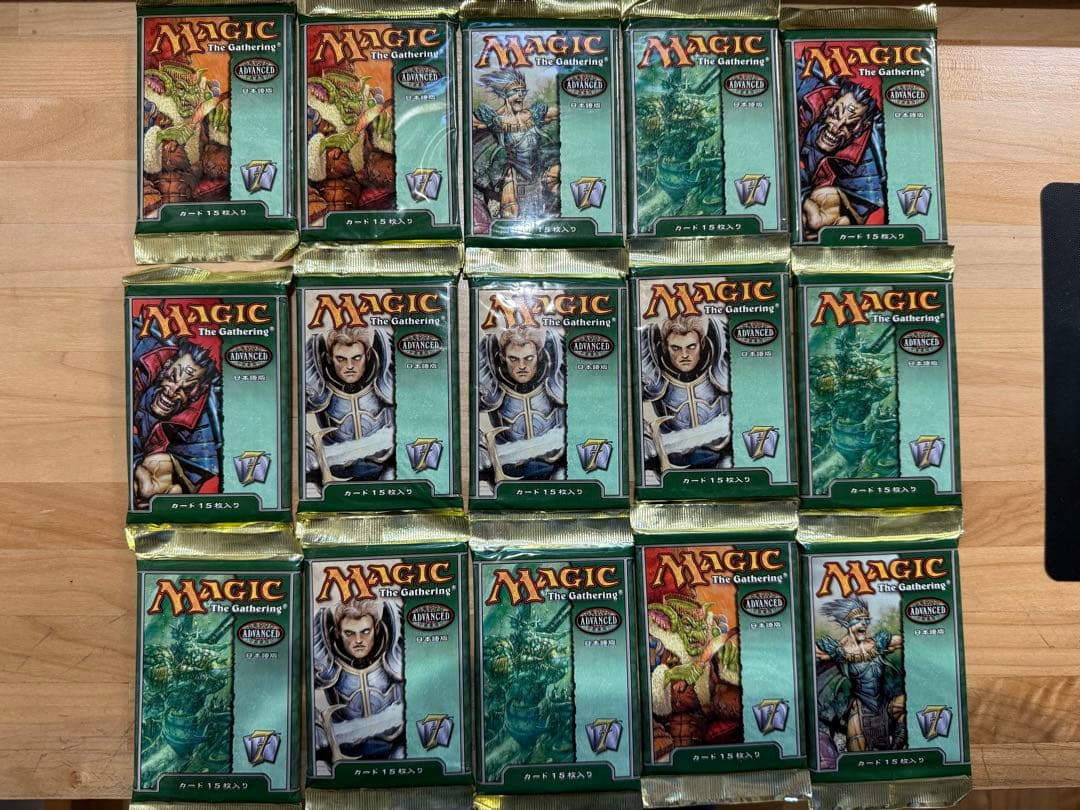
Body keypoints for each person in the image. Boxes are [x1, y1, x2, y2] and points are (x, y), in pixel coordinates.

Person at [131, 323, 222, 508]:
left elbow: (189, 483)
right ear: (167, 366)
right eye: (173, 377)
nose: (172, 391)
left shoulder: (202, 430)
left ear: (199, 391)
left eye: (185, 388)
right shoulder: (145, 362)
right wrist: (134, 464)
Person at [796, 57, 887, 240]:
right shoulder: (810, 97)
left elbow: (854, 217)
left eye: (849, 125)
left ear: (862, 128)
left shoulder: (868, 168)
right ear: (830, 104)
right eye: (835, 115)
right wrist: (803, 197)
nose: (836, 127)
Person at [312, 597, 405, 767]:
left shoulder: (394, 655)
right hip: (346, 750)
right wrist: (316, 725)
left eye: (365, 631)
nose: (358, 640)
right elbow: (297, 694)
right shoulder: (327, 664)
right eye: (349, 633)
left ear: (376, 628)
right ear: (338, 632)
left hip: (394, 743)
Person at [305, 325, 395, 491]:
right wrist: (308, 448)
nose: (349, 366)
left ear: (367, 355)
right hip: (337, 471)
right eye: (341, 359)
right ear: (330, 358)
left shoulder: (383, 381)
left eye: (356, 358)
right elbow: (288, 417)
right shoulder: (319, 387)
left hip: (385, 463)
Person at [640, 313, 731, 474]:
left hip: (720, 451)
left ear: (701, 344)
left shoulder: (720, 368)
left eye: (691, 347)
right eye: (676, 348)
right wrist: (644, 434)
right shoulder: (655, 376)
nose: (684, 355)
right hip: (672, 458)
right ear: (665, 347)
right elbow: (624, 404)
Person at [815, 596, 906, 756]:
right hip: (859, 707)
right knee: (857, 752)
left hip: (883, 703)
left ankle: (896, 748)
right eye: (858, 620)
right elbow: (809, 650)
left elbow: (906, 639)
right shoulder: (840, 651)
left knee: (904, 702)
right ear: (847, 623)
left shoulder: (877, 644)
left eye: (866, 620)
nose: (864, 623)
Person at [472, 68, 560, 231]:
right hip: (508, 173)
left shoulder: (533, 115)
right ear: (505, 94)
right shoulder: (495, 119)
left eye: (523, 91)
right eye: (515, 91)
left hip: (536, 171)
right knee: (510, 210)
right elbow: (466, 121)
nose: (521, 95)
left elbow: (559, 112)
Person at [477, 324, 566, 483]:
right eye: (513, 359)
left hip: (556, 463)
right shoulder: (492, 385)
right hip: (508, 468)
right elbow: (462, 414)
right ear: (503, 357)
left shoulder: (556, 380)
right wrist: (479, 446)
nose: (522, 366)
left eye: (528, 358)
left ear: (538, 355)